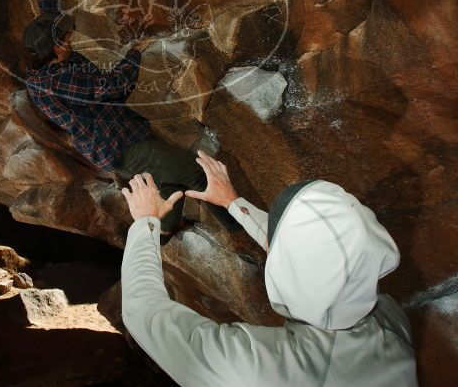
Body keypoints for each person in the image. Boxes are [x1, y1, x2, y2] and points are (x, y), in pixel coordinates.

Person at [119, 151, 418, 386]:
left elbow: (142, 311)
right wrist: (234, 203)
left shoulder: (259, 372)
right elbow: (313, 255)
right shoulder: (388, 318)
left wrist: (146, 221)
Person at [22, 0, 207, 234]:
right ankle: (241, 223)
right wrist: (136, 51)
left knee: (168, 181)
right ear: (56, 48)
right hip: (123, 146)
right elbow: (116, 85)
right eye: (66, 38)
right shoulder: (58, 81)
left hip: (113, 142)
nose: (71, 38)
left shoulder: (41, 61)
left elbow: (49, 12)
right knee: (196, 172)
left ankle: (166, 228)